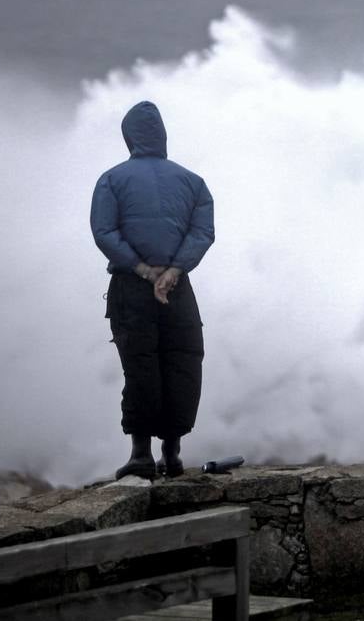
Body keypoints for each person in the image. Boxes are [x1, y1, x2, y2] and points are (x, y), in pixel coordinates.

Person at [91, 101, 215, 479]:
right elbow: (202, 232)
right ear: (162, 137)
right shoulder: (193, 182)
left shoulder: (111, 180)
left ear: (129, 138)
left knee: (140, 365)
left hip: (132, 287)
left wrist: (145, 271)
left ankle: (141, 454)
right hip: (177, 289)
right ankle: (173, 455)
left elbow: (104, 232)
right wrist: (173, 271)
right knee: (182, 361)